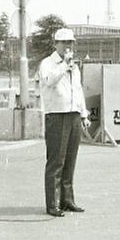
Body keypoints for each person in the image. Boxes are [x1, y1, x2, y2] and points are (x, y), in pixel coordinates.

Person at [38, 28, 90, 217]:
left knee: (70, 159)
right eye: (65, 42)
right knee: (56, 161)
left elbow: (78, 91)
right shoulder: (48, 64)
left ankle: (67, 199)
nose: (69, 46)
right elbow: (49, 81)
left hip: (73, 114)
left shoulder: (74, 68)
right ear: (56, 44)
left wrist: (83, 114)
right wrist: (64, 65)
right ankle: (53, 203)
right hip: (57, 115)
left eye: (71, 43)